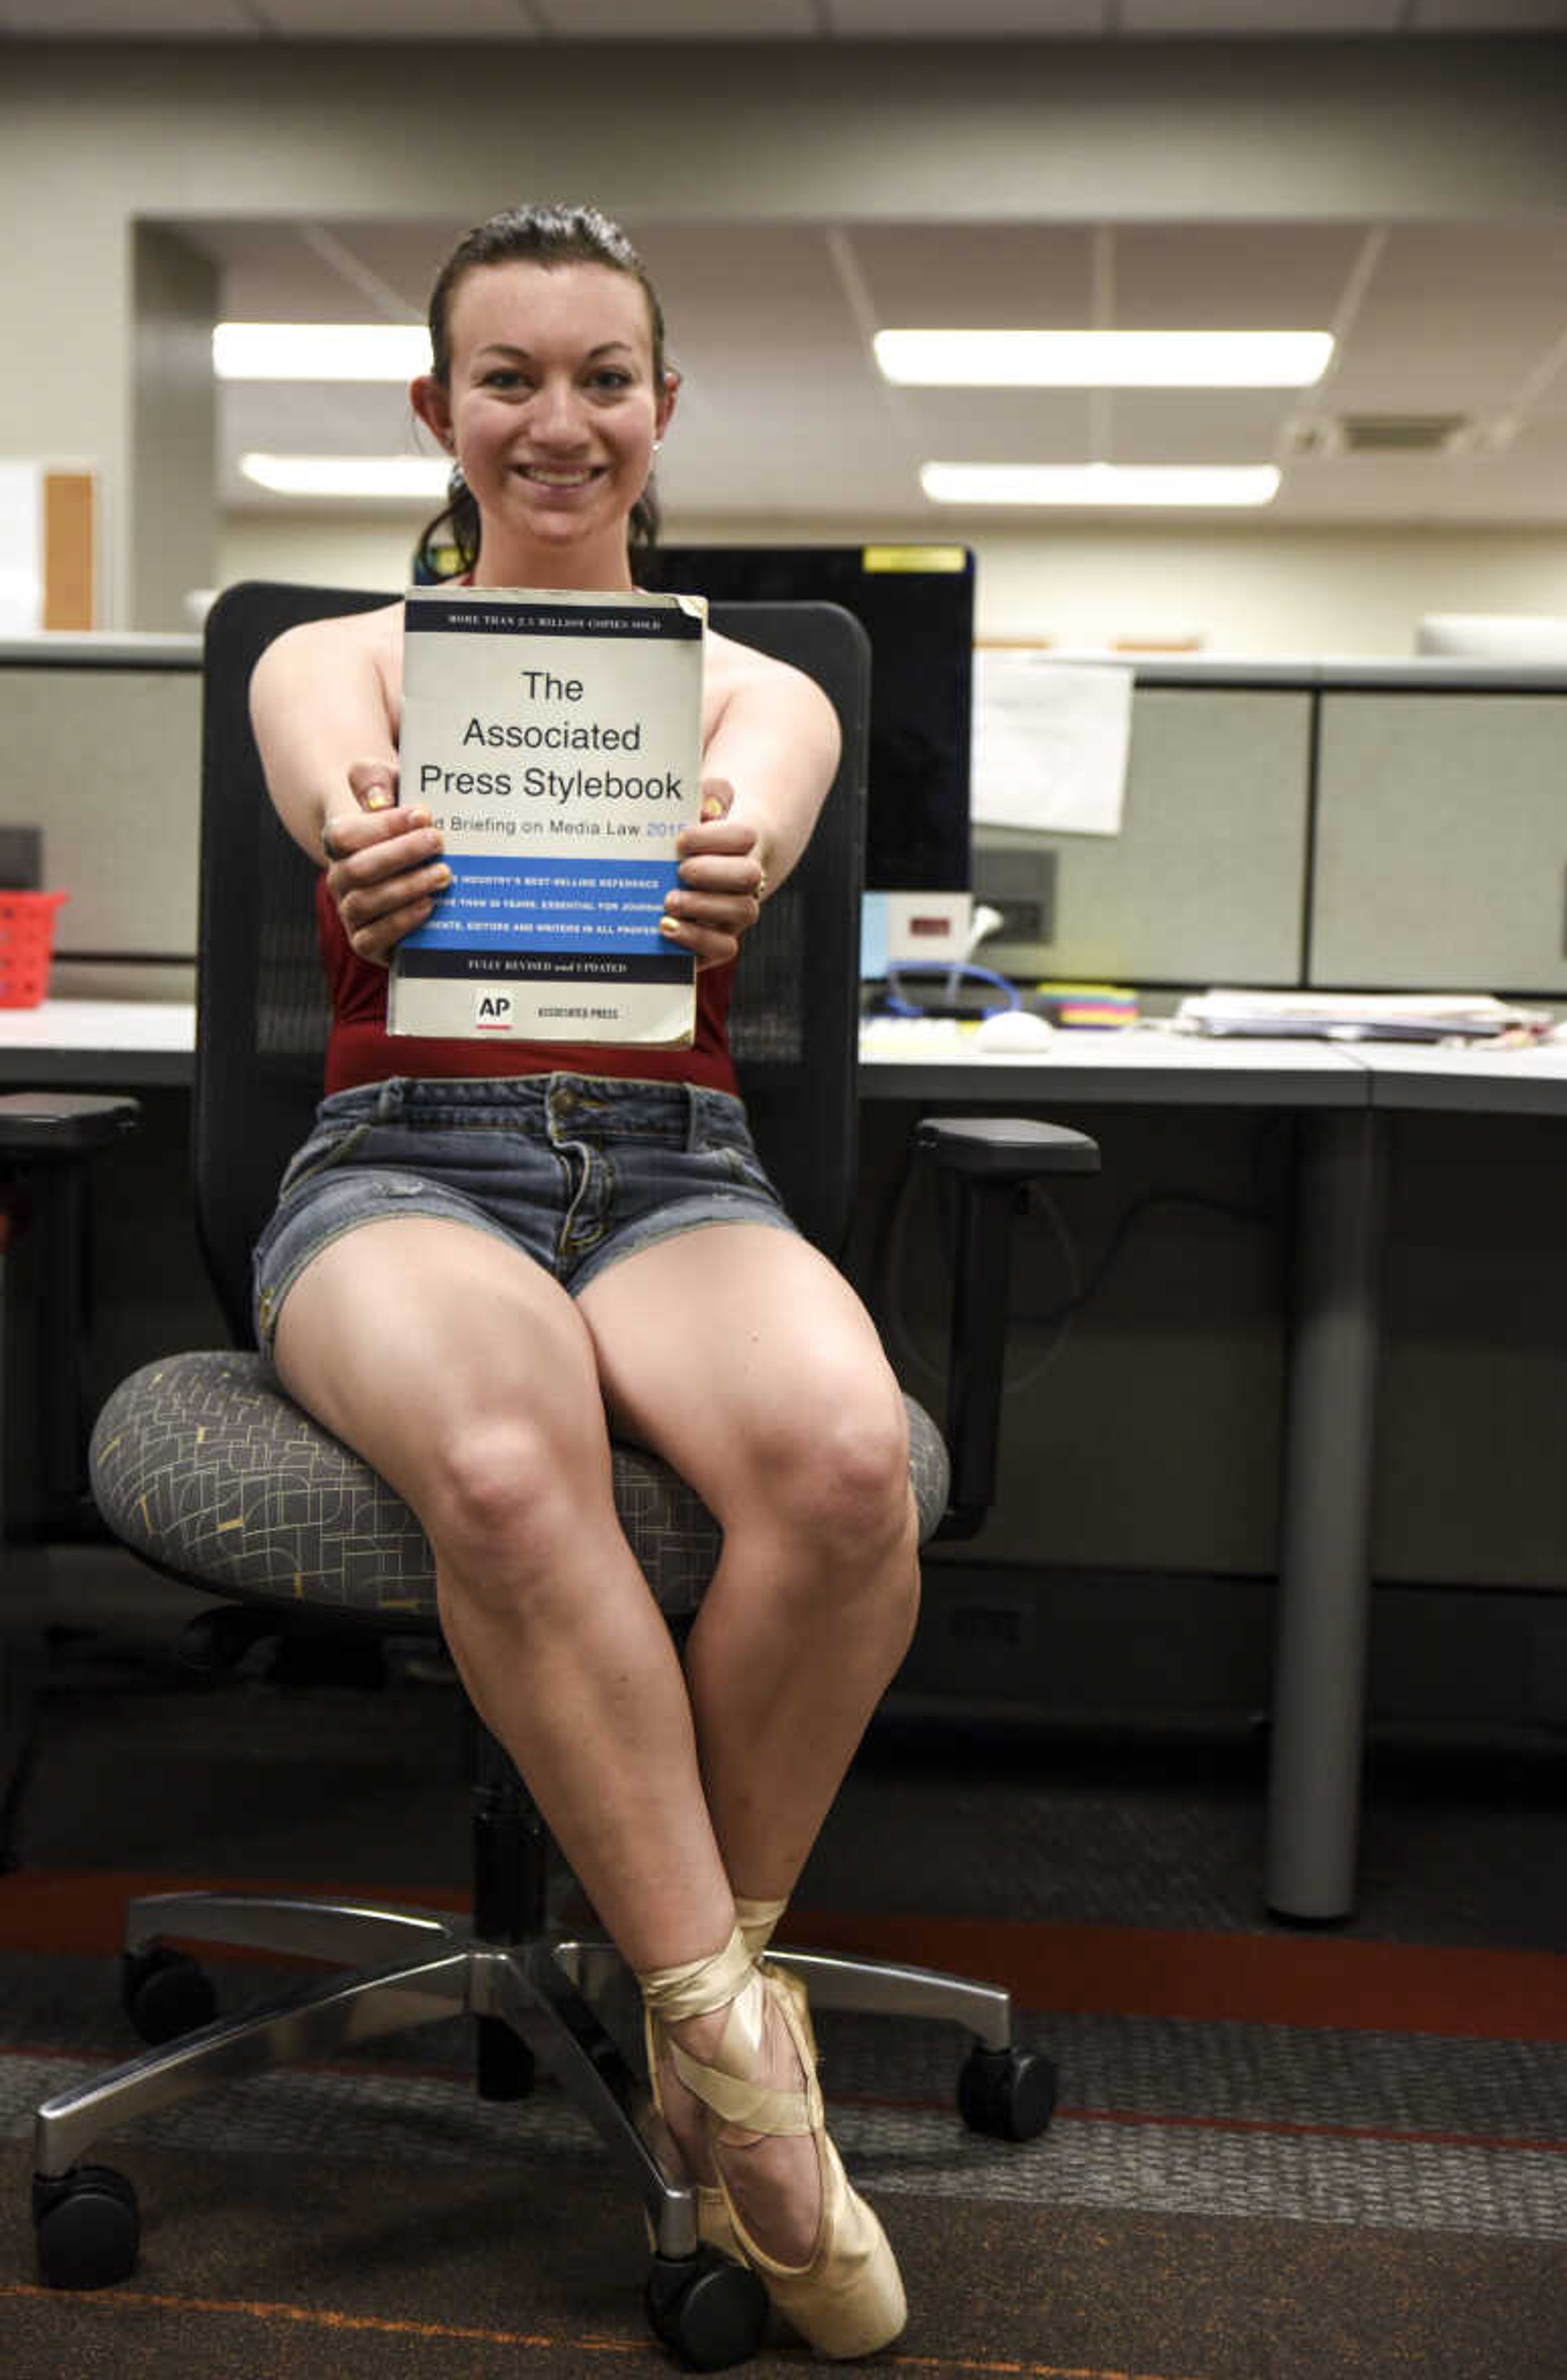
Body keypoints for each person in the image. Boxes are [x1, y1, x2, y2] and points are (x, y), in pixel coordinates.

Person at [247, 204, 916, 2358]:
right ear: (436, 413)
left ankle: (678, 2003)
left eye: (603, 377)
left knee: (843, 1462)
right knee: (515, 1465)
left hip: (667, 1165)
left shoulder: (764, 680)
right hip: (407, 1163)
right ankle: (742, 2068)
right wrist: (373, 836)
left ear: (662, 408)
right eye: (509, 380)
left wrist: (726, 851)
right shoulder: (329, 653)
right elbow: (332, 793)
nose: (560, 420)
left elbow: (766, 806)